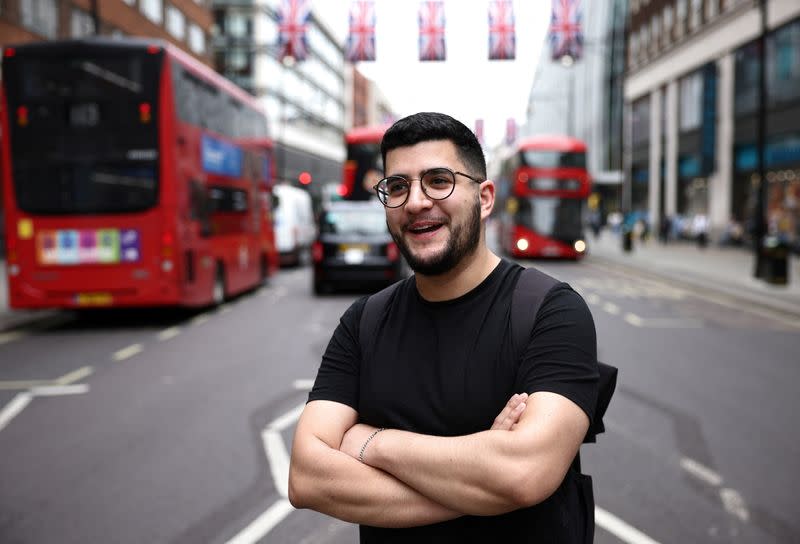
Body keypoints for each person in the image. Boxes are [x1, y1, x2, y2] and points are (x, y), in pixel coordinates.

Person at [289, 112, 600, 542]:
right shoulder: (364, 322)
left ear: (485, 198)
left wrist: (373, 443)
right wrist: (483, 478)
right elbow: (307, 477)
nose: (415, 201)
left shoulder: (551, 311)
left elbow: (523, 473)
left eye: (438, 181)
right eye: (397, 187)